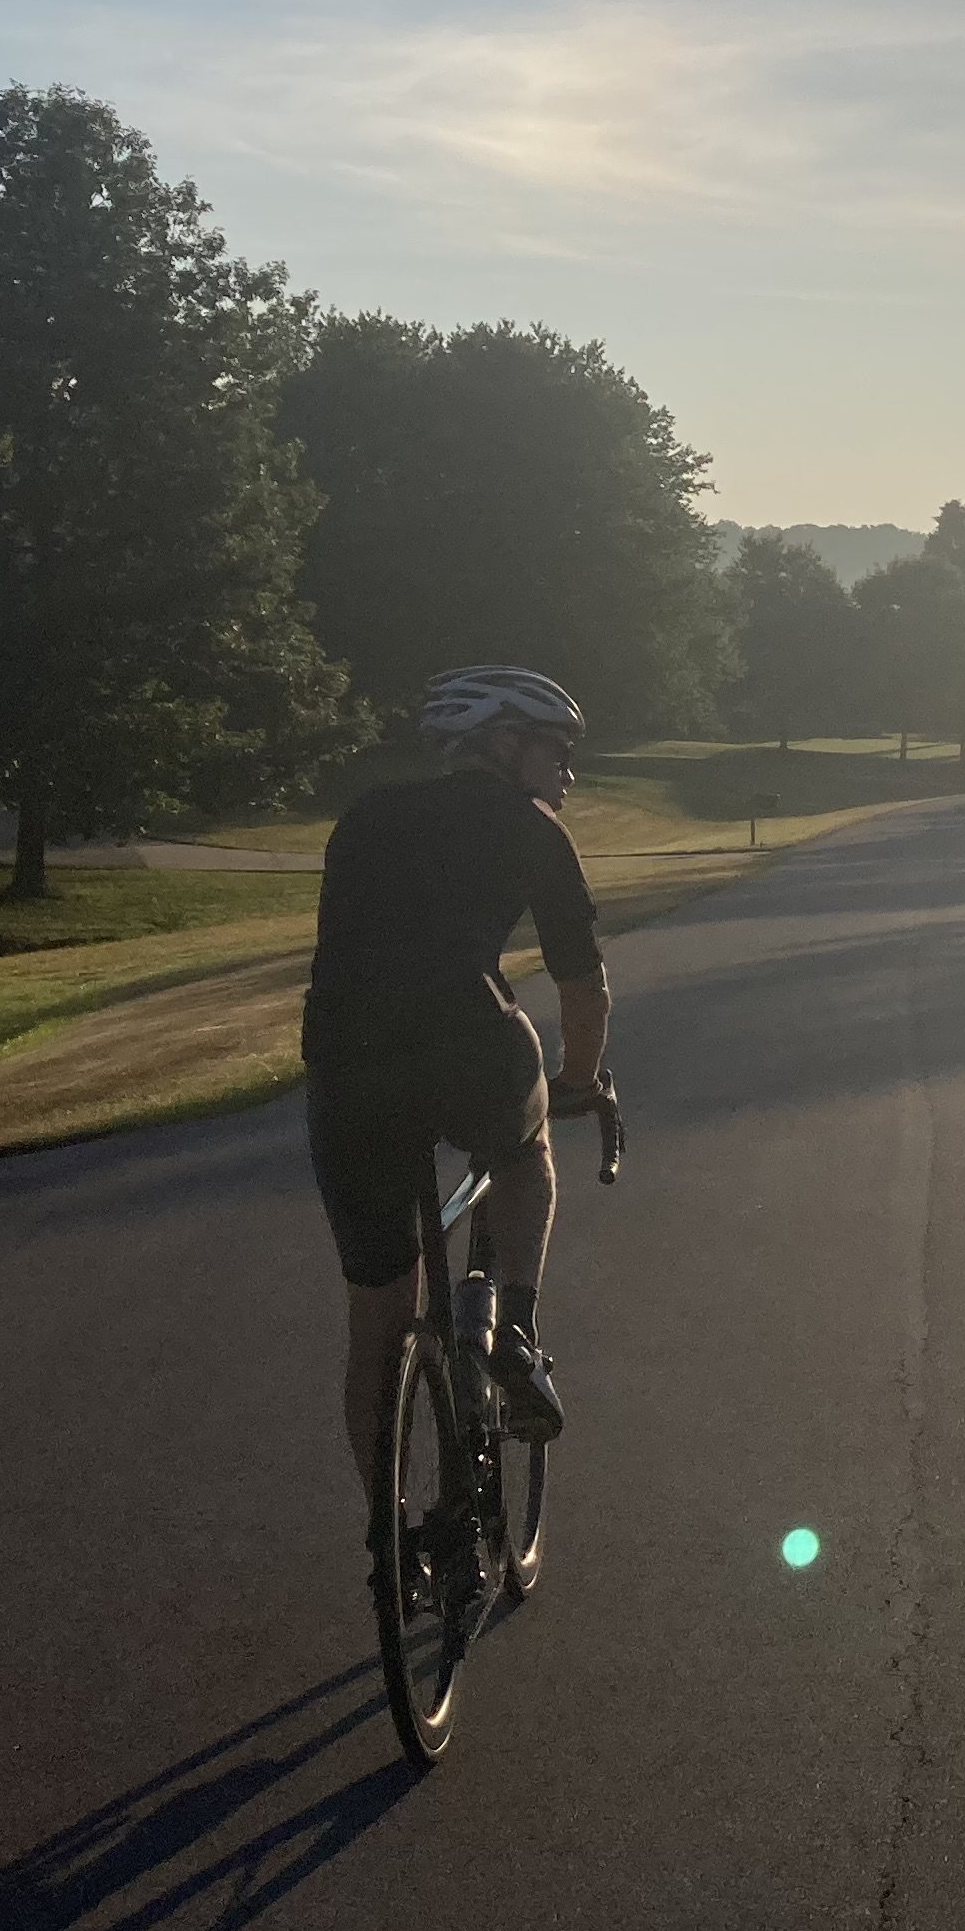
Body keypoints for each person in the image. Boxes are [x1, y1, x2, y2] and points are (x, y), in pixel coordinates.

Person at [302, 664, 611, 1582]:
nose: (567, 772)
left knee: (377, 1323)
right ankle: (516, 1329)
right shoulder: (532, 830)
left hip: (348, 1066)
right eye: (557, 750)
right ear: (505, 743)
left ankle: (391, 1538)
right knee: (526, 1144)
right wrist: (578, 1081)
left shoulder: (365, 818)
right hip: (469, 1049)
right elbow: (583, 987)